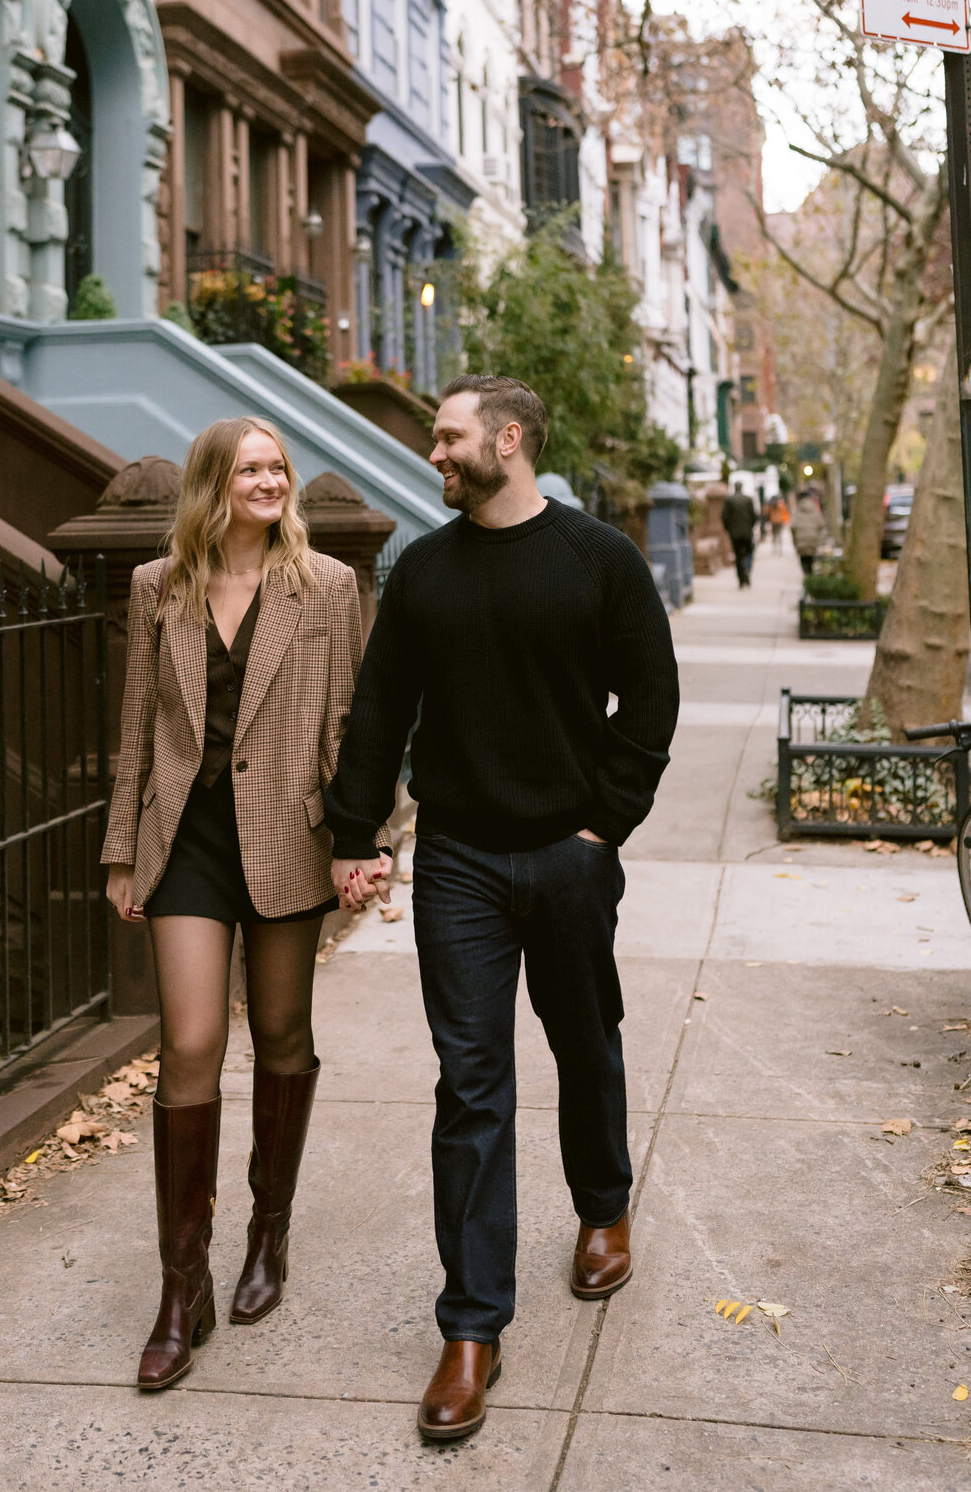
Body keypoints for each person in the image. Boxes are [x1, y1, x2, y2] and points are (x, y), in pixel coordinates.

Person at [324, 375, 679, 1445]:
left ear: (509, 439)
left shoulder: (600, 559)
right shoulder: (424, 570)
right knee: (471, 1086)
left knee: (585, 1041)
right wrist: (355, 832)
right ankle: (472, 1328)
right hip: (459, 862)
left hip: (569, 853)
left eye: (450, 436)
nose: (435, 452)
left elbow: (649, 696)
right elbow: (381, 706)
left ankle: (603, 1207)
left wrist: (603, 826)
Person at [101, 417, 389, 1392]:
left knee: (279, 1031)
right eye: (250, 469)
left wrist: (362, 840)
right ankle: (182, 1287)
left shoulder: (328, 587)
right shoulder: (158, 587)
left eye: (278, 468)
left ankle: (270, 1230)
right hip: (183, 840)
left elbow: (353, 722)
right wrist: (120, 852)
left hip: (286, 837)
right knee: (188, 1042)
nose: (270, 481)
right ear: (212, 485)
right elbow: (139, 726)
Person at [721, 482, 757, 588]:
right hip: (747, 533)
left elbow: (724, 516)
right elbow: (754, 516)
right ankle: (747, 570)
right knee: (749, 553)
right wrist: (750, 527)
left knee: (737, 556)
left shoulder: (729, 500)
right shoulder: (748, 499)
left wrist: (728, 529)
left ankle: (741, 579)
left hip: (734, 534)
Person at [791, 489, 826, 577]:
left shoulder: (797, 510)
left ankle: (806, 575)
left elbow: (793, 526)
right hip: (813, 539)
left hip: (800, 540)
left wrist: (795, 541)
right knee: (811, 559)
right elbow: (821, 524)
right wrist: (819, 537)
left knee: (803, 559)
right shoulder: (814, 509)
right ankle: (810, 575)